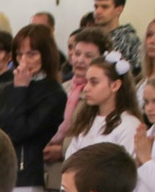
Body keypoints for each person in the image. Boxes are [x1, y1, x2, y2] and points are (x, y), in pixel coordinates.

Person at [0, 24, 67, 192]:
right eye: (19, 54)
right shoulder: (5, 89)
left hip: (25, 182)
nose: (24, 60)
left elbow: (19, 131)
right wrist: (17, 88)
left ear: (45, 55)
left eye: (32, 54)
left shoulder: (54, 93)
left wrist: (21, 89)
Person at [64, 53, 142, 167]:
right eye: (87, 82)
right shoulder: (86, 119)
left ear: (115, 85)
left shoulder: (129, 125)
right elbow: (70, 161)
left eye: (94, 82)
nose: (86, 88)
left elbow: (124, 171)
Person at [45, 28, 109, 164]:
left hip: (77, 163)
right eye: (77, 53)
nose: (80, 60)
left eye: (88, 56)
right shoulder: (63, 87)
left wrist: (62, 149)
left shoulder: (101, 95)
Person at [94, 0, 143, 77]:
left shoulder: (130, 40)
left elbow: (136, 72)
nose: (98, 11)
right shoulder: (91, 37)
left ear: (119, 10)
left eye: (105, 7)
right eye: (96, 7)